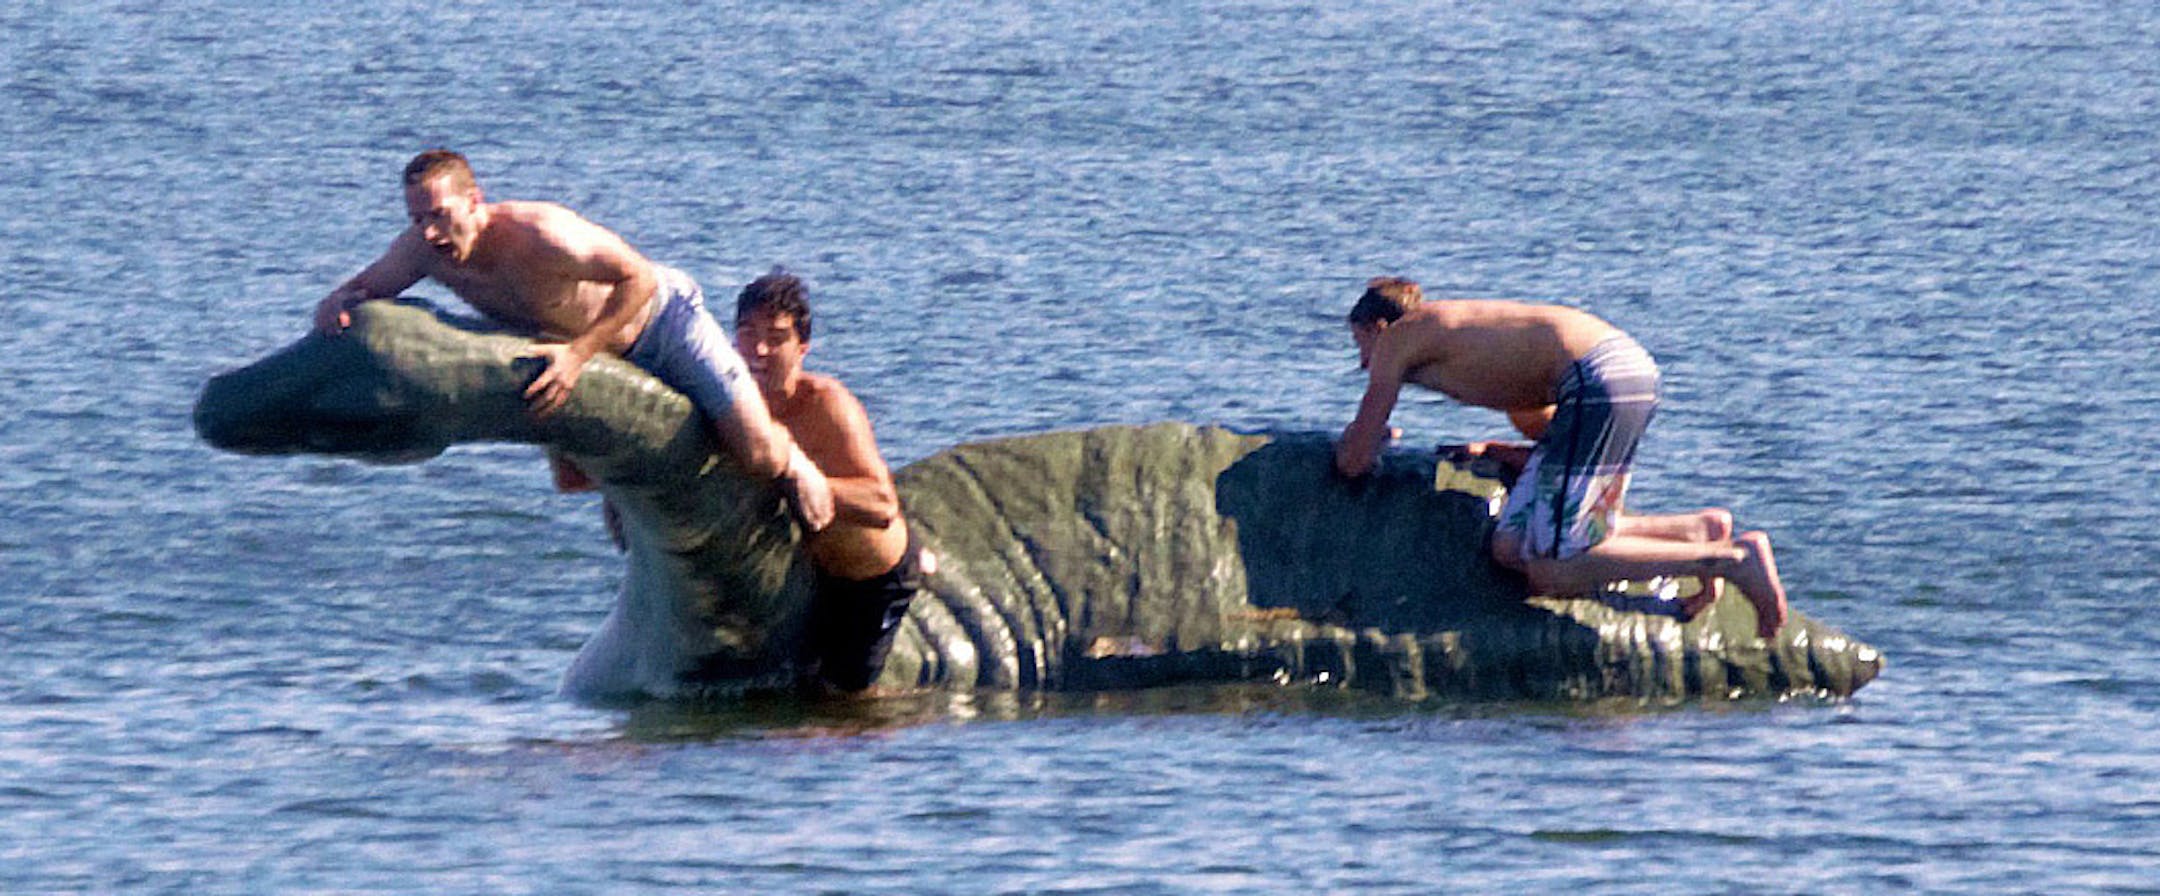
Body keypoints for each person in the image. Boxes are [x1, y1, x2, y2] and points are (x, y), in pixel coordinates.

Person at [312, 149, 832, 530]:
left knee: (758, 453)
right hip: (583, 352)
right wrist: (336, 301)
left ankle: (796, 463)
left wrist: (580, 353)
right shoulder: (424, 252)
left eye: (441, 215)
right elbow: (362, 288)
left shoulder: (542, 235)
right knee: (573, 478)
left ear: (474, 202)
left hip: (661, 323)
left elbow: (640, 278)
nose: (429, 232)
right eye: (417, 219)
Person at [1334, 276, 1787, 638]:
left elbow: (1353, 463)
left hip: (1600, 380)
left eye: (1360, 345)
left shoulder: (1400, 338)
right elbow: (1545, 427)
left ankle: (1731, 560)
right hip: (1612, 377)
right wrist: (1500, 452)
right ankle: (1694, 531)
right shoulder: (1467, 339)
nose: (1362, 363)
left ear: (1377, 327)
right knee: (1511, 548)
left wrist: (1365, 443)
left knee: (1554, 568)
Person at [733, 269, 926, 693]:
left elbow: (880, 504)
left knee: (844, 705)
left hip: (872, 577)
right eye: (747, 333)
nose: (759, 350)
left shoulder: (826, 405)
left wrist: (801, 478)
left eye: (777, 337)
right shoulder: (731, 407)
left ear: (802, 348)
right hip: (808, 572)